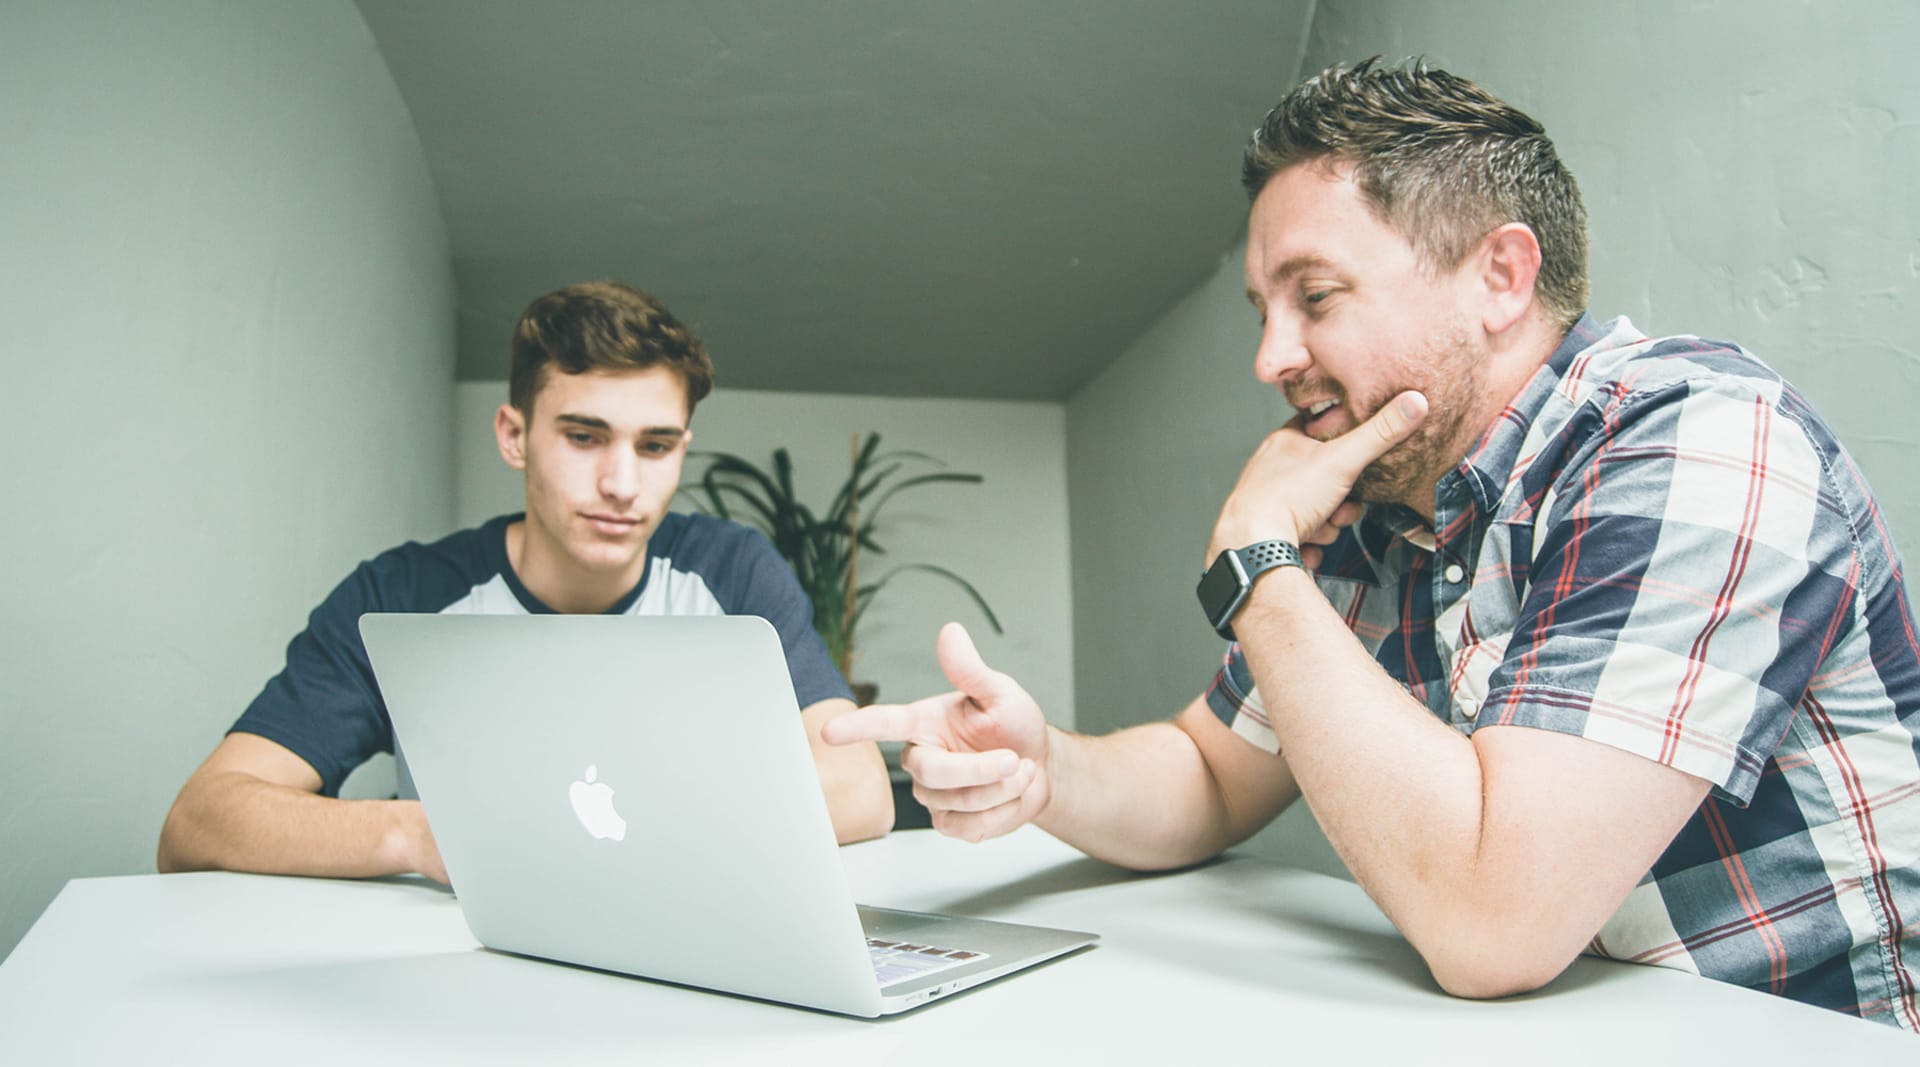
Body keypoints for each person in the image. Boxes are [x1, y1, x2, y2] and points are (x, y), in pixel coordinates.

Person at [826, 58, 1920, 1030]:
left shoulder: (1700, 440)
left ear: (1500, 276)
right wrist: (1044, 766)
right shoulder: (1388, 498)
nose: (1271, 356)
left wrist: (1258, 559)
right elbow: (1212, 771)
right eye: (1264, 307)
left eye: (1315, 297)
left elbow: (1495, 921)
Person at [160, 281, 894, 882]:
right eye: (583, 436)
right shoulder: (403, 594)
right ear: (515, 435)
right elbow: (200, 819)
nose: (621, 483)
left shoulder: (732, 572)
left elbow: (861, 789)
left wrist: (606, 826)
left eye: (656, 445)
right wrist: (421, 835)